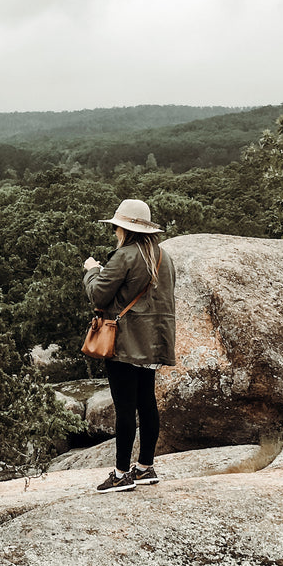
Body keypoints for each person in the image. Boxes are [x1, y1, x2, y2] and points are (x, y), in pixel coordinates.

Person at [82, 199, 176, 493]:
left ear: (124, 229)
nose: (114, 233)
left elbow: (98, 296)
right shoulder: (164, 257)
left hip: (124, 341)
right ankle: (145, 467)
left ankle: (121, 474)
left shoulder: (124, 257)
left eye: (116, 228)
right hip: (154, 340)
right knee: (146, 402)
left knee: (124, 408)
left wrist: (92, 270)